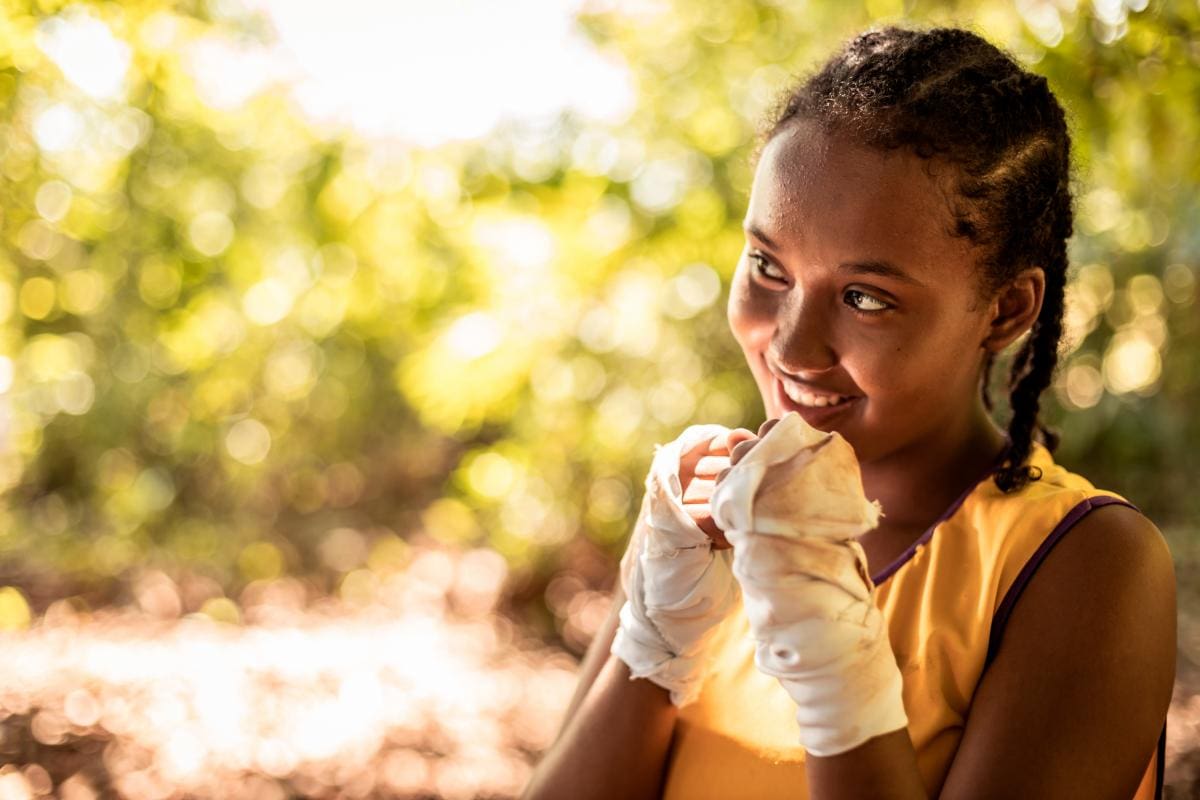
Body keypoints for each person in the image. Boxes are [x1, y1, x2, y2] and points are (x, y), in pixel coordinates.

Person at [523, 24, 1175, 800]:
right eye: (768, 265)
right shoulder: (701, 524)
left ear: (1004, 310)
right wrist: (656, 646)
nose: (792, 347)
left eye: (866, 298)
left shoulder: (1084, 564)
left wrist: (839, 676)